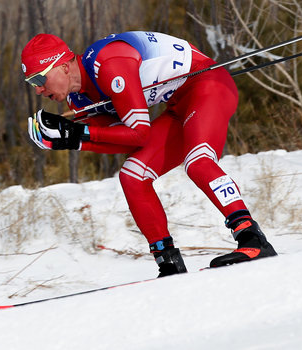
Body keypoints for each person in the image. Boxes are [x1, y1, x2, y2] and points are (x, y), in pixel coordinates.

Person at [21, 31, 277, 277]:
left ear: (63, 66)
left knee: (198, 161)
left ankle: (252, 237)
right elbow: (123, 142)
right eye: (32, 83)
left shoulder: (108, 62)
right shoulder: (78, 100)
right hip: (178, 106)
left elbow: (139, 133)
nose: (38, 90)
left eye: (39, 79)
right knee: (132, 175)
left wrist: (77, 135)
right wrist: (69, 140)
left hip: (208, 85)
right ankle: (168, 263)